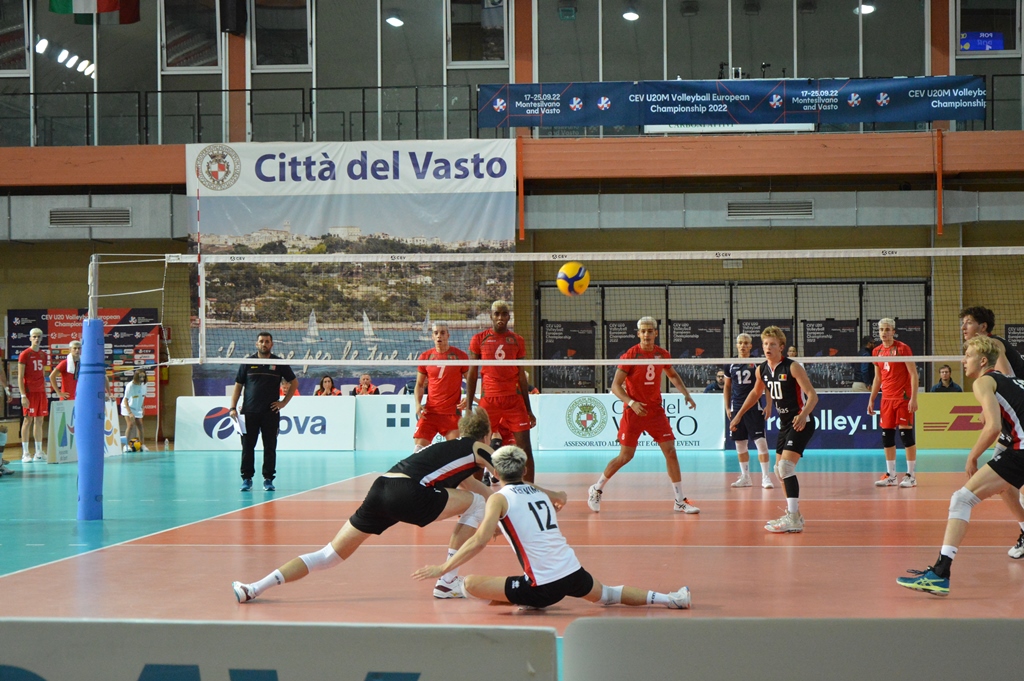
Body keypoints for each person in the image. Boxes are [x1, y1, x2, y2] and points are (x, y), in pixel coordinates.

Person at [233, 409, 496, 603]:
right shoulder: (475, 446)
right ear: (485, 434)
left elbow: (484, 491)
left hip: (381, 488)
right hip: (408, 491)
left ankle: (253, 588)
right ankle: (447, 582)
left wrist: (495, 512)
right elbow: (505, 471)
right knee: (476, 504)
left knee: (328, 556)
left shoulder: (451, 454)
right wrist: (501, 515)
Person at [412, 445, 691, 610]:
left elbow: (479, 540)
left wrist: (443, 569)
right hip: (573, 571)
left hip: (542, 587)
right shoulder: (539, 494)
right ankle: (670, 599)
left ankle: (523, 600)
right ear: (524, 470)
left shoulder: (498, 498)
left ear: (494, 473)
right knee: (607, 594)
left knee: (469, 584)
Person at [897, 336, 1024, 596]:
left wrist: (972, 456)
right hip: (1018, 449)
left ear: (983, 360)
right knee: (1005, 487)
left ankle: (940, 573)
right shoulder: (1012, 382)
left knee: (961, 499)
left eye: (968, 355)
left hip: (1021, 451)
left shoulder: (983, 382)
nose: (963, 360)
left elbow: (993, 427)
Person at [587, 316, 699, 514]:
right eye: (643, 331)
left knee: (670, 452)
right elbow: (615, 386)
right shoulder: (631, 355)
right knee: (625, 456)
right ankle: (597, 488)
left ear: (656, 333)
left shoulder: (662, 354)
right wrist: (632, 402)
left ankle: (679, 500)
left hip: (655, 411)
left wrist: (686, 394)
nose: (647, 334)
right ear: (638, 334)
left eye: (650, 331)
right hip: (634, 411)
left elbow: (672, 375)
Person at [730, 326, 818, 533]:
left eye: (772, 344)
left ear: (781, 347)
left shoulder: (793, 367)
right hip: (785, 424)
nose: (768, 347)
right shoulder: (761, 369)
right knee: (779, 471)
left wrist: (803, 414)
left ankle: (793, 518)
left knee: (786, 467)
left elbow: (813, 396)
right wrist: (739, 415)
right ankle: (793, 514)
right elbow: (755, 393)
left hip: (802, 421)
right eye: (765, 344)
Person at [960, 306, 1024, 558]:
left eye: (968, 322)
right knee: (1003, 483)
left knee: (1001, 478)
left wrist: (990, 410)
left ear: (983, 327)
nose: (963, 327)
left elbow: (1006, 378)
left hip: (1018, 422)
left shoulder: (993, 344)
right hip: (1014, 422)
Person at [462, 300, 537, 481]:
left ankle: (530, 489)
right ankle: (477, 492)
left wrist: (528, 410)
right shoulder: (479, 339)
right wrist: (469, 407)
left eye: (504, 314)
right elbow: (472, 374)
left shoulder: (517, 340)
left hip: (514, 400)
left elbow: (521, 376)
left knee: (525, 448)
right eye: (497, 314)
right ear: (491, 316)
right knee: (479, 447)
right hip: (489, 400)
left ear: (509, 317)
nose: (500, 317)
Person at [228, 332, 298, 492]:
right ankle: (247, 478)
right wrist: (232, 407)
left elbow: (294, 382)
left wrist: (283, 403)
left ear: (271, 344)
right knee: (247, 448)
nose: (264, 344)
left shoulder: (278, 363)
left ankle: (268, 479)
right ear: (256, 344)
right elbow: (238, 386)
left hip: (270, 413)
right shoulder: (248, 363)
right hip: (249, 413)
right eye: (261, 341)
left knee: (270, 447)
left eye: (267, 341)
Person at [867, 318, 919, 488]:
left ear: (893, 331)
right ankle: (891, 475)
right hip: (886, 399)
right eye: (881, 329)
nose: (884, 332)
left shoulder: (902, 348)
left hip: (903, 398)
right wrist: (872, 399)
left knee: (906, 436)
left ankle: (911, 475)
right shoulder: (876, 351)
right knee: (887, 436)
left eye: (887, 329)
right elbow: (878, 378)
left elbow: (913, 374)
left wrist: (913, 398)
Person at [725, 333, 774, 489]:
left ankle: (766, 477)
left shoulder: (758, 363)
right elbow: (727, 386)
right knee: (740, 444)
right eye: (740, 343)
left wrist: (769, 405)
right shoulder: (730, 364)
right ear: (736, 345)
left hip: (754, 408)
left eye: (746, 343)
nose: (743, 346)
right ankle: (745, 477)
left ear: (751, 346)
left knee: (761, 442)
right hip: (737, 407)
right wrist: (727, 407)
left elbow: (767, 386)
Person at [414, 322, 469, 451]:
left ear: (448, 335)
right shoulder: (425, 357)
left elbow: (471, 380)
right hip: (430, 412)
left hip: (452, 413)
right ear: (432, 336)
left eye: (442, 333)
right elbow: (419, 384)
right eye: (436, 333)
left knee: (455, 453)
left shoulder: (460, 356)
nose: (439, 336)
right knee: (417, 451)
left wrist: (468, 396)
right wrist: (417, 403)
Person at [18, 328, 48, 463]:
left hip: (40, 391)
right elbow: (20, 376)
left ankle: (39, 452)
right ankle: (25, 453)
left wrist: (44, 388)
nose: (36, 339)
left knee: (39, 421)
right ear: (30, 338)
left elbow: (42, 373)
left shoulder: (43, 355)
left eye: (39, 337)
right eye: (34, 336)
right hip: (29, 392)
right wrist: (23, 395)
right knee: (27, 420)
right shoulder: (25, 354)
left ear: (41, 338)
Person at [120, 369, 148, 451]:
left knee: (140, 425)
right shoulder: (130, 386)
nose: (142, 378)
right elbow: (125, 400)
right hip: (127, 407)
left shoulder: (144, 385)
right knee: (130, 425)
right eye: (140, 377)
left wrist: (143, 407)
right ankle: (126, 446)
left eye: (143, 376)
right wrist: (130, 413)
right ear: (136, 377)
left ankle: (142, 445)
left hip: (137, 408)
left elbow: (142, 397)